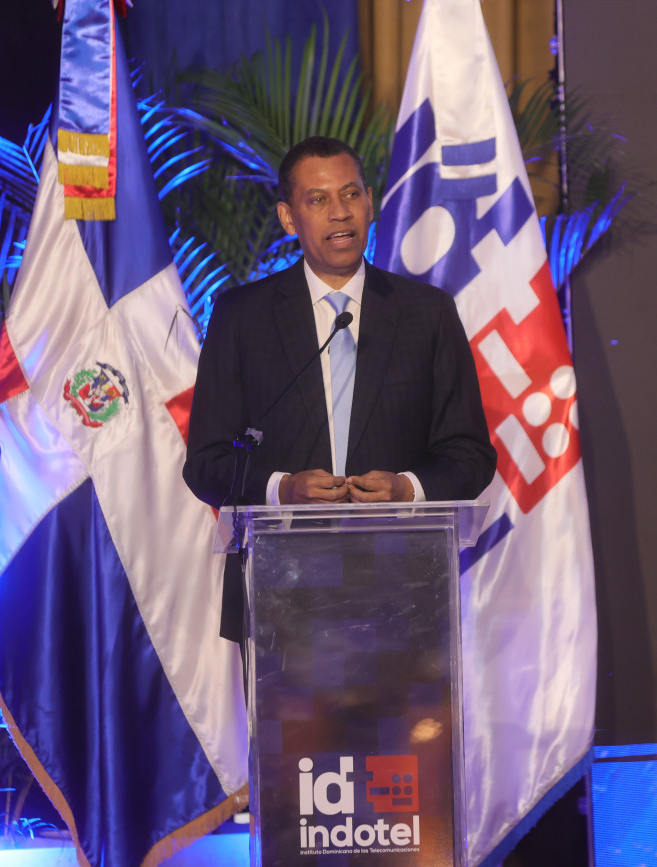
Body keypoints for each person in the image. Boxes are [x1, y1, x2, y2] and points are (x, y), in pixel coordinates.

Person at [182, 136, 496, 640]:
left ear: (369, 203)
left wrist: (406, 489)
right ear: (288, 218)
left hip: (405, 593)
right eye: (318, 199)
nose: (339, 212)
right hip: (282, 594)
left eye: (351, 194)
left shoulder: (427, 313)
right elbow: (207, 462)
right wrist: (283, 489)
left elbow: (470, 455)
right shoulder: (242, 317)